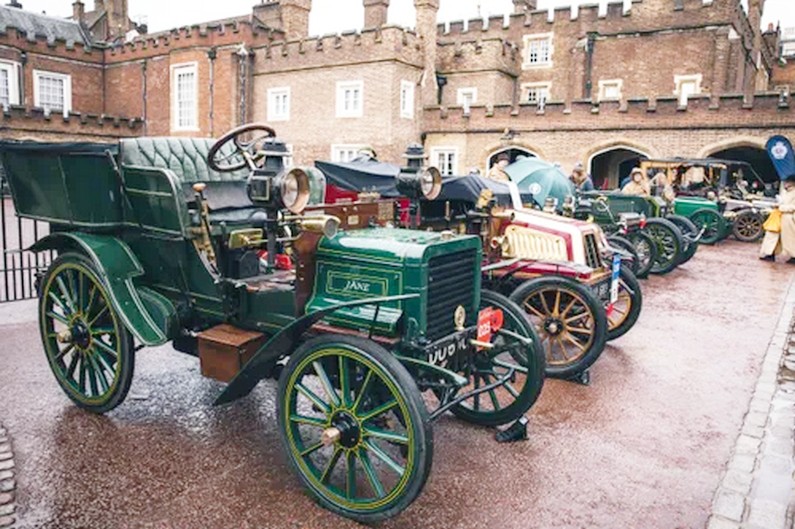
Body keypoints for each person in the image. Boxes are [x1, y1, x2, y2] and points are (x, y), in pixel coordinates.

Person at [759, 176, 795, 263]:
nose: (785, 184)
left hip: (788, 219)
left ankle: (793, 256)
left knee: (789, 239)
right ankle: (770, 253)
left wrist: (781, 207)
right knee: (772, 235)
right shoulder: (785, 192)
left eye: (787, 182)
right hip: (778, 216)